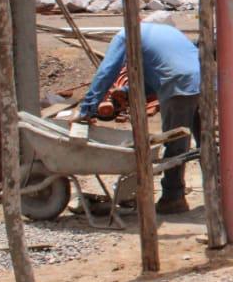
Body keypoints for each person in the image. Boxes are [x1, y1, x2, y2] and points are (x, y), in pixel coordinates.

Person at [75, 22, 201, 214]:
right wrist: (127, 92)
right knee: (205, 141)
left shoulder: (124, 35)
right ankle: (223, 190)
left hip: (179, 84)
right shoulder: (165, 32)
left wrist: (86, 109)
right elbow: (156, 77)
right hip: (205, 79)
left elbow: (106, 72)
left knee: (176, 143)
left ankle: (173, 198)